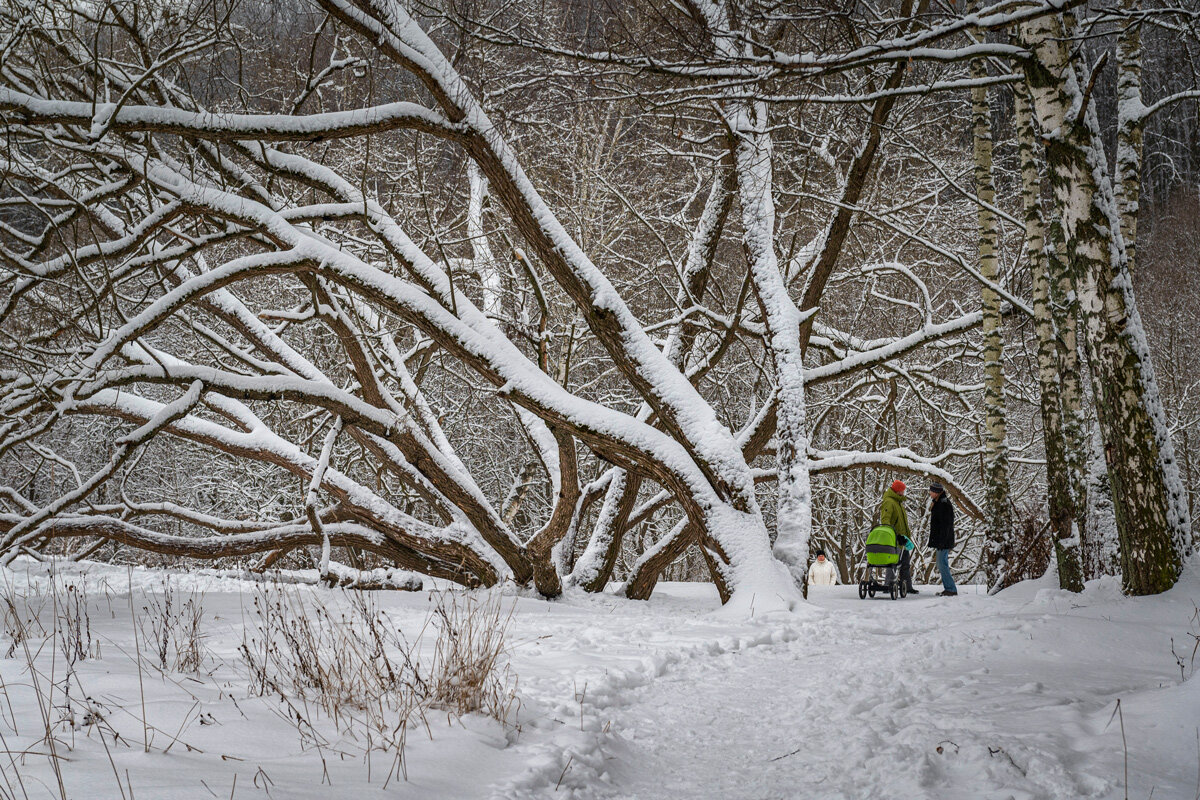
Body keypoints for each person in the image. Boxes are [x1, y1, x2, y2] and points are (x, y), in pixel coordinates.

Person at [879, 479, 918, 594]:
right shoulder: (889, 502)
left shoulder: (898, 502)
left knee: (905, 563)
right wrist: (893, 535)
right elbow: (885, 521)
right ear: (897, 491)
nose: (904, 493)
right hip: (894, 539)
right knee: (893, 564)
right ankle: (889, 585)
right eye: (902, 490)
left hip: (903, 539)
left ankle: (907, 587)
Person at [928, 482, 957, 596]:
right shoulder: (938, 502)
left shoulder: (943, 503)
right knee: (941, 563)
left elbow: (946, 524)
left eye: (931, 491)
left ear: (936, 492)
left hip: (944, 541)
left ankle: (950, 589)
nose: (929, 493)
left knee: (942, 564)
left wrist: (942, 541)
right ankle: (950, 588)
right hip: (942, 540)